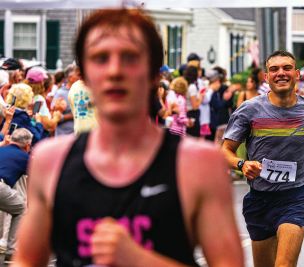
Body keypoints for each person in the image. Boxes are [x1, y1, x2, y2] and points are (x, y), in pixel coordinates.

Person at [13, 9, 243, 267]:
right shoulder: (50, 160)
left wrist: (138, 259)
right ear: (85, 76)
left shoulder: (199, 163)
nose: (114, 71)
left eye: (130, 58)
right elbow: (25, 260)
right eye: (100, 58)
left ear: (155, 75)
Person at [222, 50, 304, 267]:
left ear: (297, 74)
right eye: (274, 69)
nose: (280, 73)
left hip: (295, 198)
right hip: (259, 199)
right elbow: (225, 150)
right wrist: (242, 164)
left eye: (286, 68)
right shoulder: (249, 110)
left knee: (284, 265)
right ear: (266, 77)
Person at [0, 128, 32, 261]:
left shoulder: (1, 150)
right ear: (28, 145)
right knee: (21, 208)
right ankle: (12, 251)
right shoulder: (26, 157)